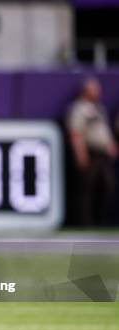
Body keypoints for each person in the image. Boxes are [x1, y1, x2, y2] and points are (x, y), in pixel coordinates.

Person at [67, 77, 117, 226]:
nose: (98, 92)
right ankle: (84, 222)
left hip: (102, 154)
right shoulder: (78, 108)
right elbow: (75, 133)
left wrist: (111, 145)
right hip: (90, 152)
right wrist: (80, 154)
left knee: (108, 185)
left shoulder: (99, 109)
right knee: (86, 189)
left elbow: (103, 131)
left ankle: (100, 220)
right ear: (86, 90)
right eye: (94, 89)